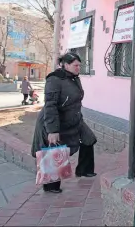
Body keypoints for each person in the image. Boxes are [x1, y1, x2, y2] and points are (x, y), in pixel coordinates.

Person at [31, 52, 97, 193]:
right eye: (76, 65)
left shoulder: (74, 78)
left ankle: (84, 170)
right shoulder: (54, 79)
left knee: (89, 139)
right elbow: (50, 105)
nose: (79, 68)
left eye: (80, 65)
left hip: (74, 119)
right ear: (65, 65)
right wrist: (52, 130)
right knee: (54, 150)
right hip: (54, 121)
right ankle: (50, 186)